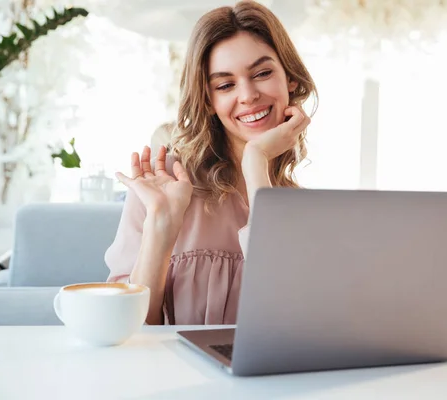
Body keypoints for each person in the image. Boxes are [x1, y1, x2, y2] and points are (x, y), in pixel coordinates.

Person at [104, 0, 318, 325]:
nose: (247, 95)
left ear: (290, 79)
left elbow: (287, 318)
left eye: (262, 73)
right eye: (225, 85)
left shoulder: (302, 207)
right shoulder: (165, 185)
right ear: (209, 100)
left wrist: (256, 161)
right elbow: (126, 328)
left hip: (265, 377)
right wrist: (161, 226)